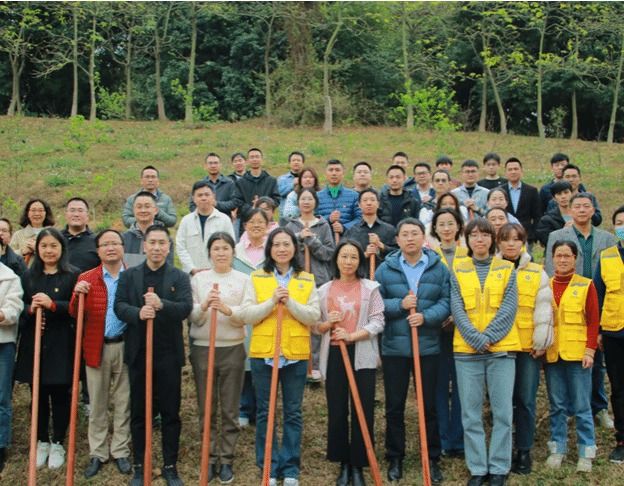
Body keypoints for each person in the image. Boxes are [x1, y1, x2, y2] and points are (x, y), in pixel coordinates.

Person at [233, 228, 321, 486]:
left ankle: (290, 467)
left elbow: (313, 316)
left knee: (293, 412)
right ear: (269, 249)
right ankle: (268, 466)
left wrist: (290, 302)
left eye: (287, 244)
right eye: (277, 244)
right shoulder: (257, 277)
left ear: (295, 248)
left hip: (295, 355)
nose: (282, 249)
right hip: (264, 354)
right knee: (265, 411)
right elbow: (247, 315)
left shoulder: (306, 279)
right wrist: (272, 302)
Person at [114, 225, 192, 486]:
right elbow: (119, 306)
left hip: (168, 355)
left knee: (170, 412)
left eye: (162, 243)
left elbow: (185, 308)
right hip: (138, 354)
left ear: (168, 248)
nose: (157, 248)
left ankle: (170, 465)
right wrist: (138, 313)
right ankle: (140, 465)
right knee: (139, 412)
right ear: (144, 246)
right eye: (153, 243)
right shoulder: (129, 276)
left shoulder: (179, 277)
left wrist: (162, 305)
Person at [375, 218, 450, 484]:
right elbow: (376, 303)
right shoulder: (385, 269)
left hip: (427, 347)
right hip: (394, 348)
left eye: (415, 233)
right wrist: (400, 304)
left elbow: (447, 301)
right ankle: (395, 456)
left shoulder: (438, 268)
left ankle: (431, 457)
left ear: (423, 237)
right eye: (405, 234)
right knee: (394, 406)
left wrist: (426, 317)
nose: (410, 238)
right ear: (397, 240)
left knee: (428, 405)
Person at [450, 218, 519, 486]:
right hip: (467, 352)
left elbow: (509, 308)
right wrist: (475, 339)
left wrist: (488, 337)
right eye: (474, 235)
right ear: (467, 240)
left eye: (485, 235)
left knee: (503, 413)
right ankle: (478, 468)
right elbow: (457, 309)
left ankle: (499, 467)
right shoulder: (458, 269)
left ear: (493, 239)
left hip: (500, 351)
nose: (479, 239)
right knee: (471, 413)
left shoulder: (506, 268)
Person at [315, 240, 385, 486]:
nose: (348, 261)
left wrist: (352, 336)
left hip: (361, 352)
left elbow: (378, 321)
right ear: (336, 259)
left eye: (353, 257)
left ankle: (359, 463)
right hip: (334, 354)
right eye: (344, 256)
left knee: (362, 408)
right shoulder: (324, 290)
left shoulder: (370, 288)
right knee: (337, 409)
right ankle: (343, 461)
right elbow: (315, 326)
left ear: (360, 261)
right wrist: (328, 324)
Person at [545, 193, 616, 431]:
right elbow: (550, 270)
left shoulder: (607, 238)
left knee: (596, 360)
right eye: (577, 206)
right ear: (570, 210)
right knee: (566, 361)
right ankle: (566, 409)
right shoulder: (557, 236)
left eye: (587, 206)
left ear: (593, 210)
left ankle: (599, 407)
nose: (582, 210)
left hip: (599, 303)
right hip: (567, 305)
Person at [14, 228, 79, 470]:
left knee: (60, 394)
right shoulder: (28, 276)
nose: (49, 251)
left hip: (62, 343)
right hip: (35, 342)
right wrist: (30, 309)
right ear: (37, 249)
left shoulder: (72, 275)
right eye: (44, 246)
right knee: (38, 394)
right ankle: (41, 440)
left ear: (62, 248)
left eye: (53, 246)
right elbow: (18, 306)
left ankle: (58, 442)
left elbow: (76, 308)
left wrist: (53, 305)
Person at [69, 229, 132, 478]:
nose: (110, 248)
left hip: (126, 346)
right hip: (96, 346)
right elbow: (75, 312)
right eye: (105, 244)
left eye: (115, 243)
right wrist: (77, 294)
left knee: (124, 401)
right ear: (98, 251)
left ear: (123, 247)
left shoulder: (133, 275)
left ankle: (120, 450)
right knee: (97, 402)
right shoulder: (87, 277)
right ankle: (98, 452)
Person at [188, 232, 248, 484]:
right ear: (209, 253)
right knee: (207, 405)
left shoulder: (244, 279)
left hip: (232, 348)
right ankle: (209, 456)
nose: (221, 253)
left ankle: (226, 458)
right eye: (216, 248)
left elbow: (247, 313)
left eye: (225, 248)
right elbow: (191, 315)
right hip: (203, 348)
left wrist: (226, 309)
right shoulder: (199, 279)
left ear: (233, 252)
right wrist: (204, 306)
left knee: (230, 407)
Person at [496, 223, 553, 475]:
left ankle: (524, 450)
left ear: (523, 242)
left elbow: (544, 309)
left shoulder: (537, 272)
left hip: (528, 347)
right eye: (506, 239)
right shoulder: (492, 269)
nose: (511, 244)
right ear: (498, 243)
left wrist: (541, 342)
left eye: (516, 239)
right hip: (501, 345)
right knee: (502, 401)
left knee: (526, 399)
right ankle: (503, 449)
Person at [544, 240, 599, 473]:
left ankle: (586, 451)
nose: (563, 260)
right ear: (552, 258)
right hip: (553, 354)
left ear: (575, 258)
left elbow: (594, 320)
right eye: (559, 255)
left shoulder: (586, 285)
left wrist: (590, 350)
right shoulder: (545, 285)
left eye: (567, 255)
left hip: (578, 355)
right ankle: (558, 448)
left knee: (581, 404)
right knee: (557, 404)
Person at [284, 188, 336, 381]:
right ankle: (298, 362)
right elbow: (285, 250)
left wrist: (312, 240)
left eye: (310, 199)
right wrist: (298, 238)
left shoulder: (323, 225)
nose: (306, 202)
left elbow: (328, 254)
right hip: (297, 279)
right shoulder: (290, 226)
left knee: (316, 321)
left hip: (319, 279)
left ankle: (315, 365)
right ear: (298, 203)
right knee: (297, 319)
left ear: (315, 202)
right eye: (303, 199)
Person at [429, 208, 466, 458]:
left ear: (459, 226)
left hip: (464, 329)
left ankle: (459, 439)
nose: (446, 228)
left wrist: (457, 315)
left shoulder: (468, 254)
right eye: (441, 224)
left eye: (450, 223)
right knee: (439, 385)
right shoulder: (430, 255)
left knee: (463, 385)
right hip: (437, 329)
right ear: (434, 228)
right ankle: (442, 438)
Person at [593, 205, 624, 463]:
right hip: (615, 333)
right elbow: (599, 295)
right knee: (619, 388)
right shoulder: (607, 257)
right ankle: (622, 439)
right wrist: (599, 332)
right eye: (620, 222)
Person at [233, 208, 269, 428]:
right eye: (251, 222)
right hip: (243, 311)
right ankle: (244, 407)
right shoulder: (236, 252)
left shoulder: (273, 250)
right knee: (244, 360)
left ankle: (262, 409)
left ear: (267, 225)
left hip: (267, 311)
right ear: (245, 225)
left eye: (260, 222)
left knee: (263, 361)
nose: (256, 225)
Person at [176, 182, 235, 275]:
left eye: (207, 195)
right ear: (193, 198)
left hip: (218, 274)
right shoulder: (186, 221)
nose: (204, 198)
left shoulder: (224, 220)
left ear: (213, 197)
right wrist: (191, 269)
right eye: (200, 195)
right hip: (192, 275)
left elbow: (231, 246)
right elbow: (181, 247)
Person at [0, 259, 23, 474]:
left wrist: (3, 314)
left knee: (1, 396)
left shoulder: (9, 277)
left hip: (2, 343)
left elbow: (14, 310)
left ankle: (0, 444)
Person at [344, 189, 397, 275]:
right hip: (359, 276)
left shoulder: (389, 230)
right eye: (365, 200)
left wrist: (381, 245)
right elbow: (345, 255)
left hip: (385, 276)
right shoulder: (352, 231)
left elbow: (398, 253)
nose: (369, 203)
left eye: (372, 200)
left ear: (378, 204)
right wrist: (364, 255)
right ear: (359, 205)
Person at [123, 191, 174, 268]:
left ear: (156, 210)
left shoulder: (165, 239)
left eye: (147, 206)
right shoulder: (123, 239)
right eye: (139, 207)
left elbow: (168, 269)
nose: (143, 210)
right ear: (133, 210)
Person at [501, 158, 542, 248]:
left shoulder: (531, 191)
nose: (513, 172)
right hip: (504, 236)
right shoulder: (500, 191)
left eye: (516, 169)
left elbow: (537, 216)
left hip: (526, 236)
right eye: (510, 169)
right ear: (505, 172)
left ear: (521, 171)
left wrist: (534, 234)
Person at [317, 159, 361, 240]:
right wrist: (328, 219)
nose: (334, 173)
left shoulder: (354, 196)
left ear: (343, 174)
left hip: (348, 241)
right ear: (326, 174)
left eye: (337, 170)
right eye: (331, 170)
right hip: (324, 241)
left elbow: (360, 218)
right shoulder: (317, 197)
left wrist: (344, 227)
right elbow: (313, 219)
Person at [231, 148, 280, 221]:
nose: (254, 159)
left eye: (257, 157)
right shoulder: (240, 182)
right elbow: (237, 202)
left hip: (267, 219)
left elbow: (276, 199)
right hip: (247, 219)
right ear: (247, 161)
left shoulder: (271, 180)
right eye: (252, 157)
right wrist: (252, 208)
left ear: (262, 160)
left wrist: (263, 206)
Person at [188, 152, 237, 217]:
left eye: (216, 163)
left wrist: (216, 204)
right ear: (205, 166)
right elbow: (192, 205)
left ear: (220, 165)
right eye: (210, 163)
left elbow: (234, 203)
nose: (213, 166)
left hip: (224, 220)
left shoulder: (230, 183)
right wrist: (203, 212)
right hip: (204, 220)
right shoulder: (200, 185)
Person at [10, 198, 55, 264]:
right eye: (33, 210)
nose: (37, 213)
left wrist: (37, 249)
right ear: (28, 213)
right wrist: (22, 251)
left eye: (40, 210)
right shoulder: (18, 235)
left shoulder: (53, 235)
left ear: (46, 213)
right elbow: (8, 257)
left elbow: (58, 255)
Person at [62, 197, 100, 272]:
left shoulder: (98, 241)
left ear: (87, 215)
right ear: (66, 214)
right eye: (72, 210)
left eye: (80, 210)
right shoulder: (56, 239)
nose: (76, 214)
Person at [535, 181, 573, 247]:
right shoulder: (547, 220)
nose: (563, 196)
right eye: (559, 194)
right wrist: (563, 232)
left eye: (566, 192)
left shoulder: (580, 216)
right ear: (554, 198)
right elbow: (546, 241)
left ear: (571, 194)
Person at [277, 151, 305, 217]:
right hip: (285, 216)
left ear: (303, 163)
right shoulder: (282, 179)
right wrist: (292, 184)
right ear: (289, 163)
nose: (296, 162)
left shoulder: (307, 178)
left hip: (303, 215)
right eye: (293, 160)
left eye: (298, 160)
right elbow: (279, 193)